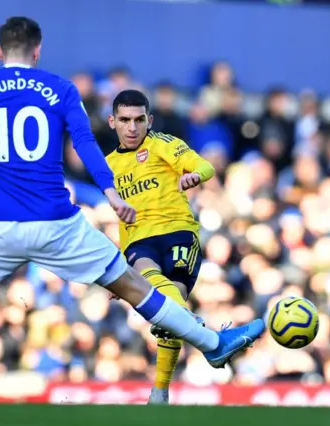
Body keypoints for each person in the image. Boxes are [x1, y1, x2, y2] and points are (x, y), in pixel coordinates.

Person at [0, 17, 265, 402]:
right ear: (38, 51)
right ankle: (211, 343)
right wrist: (112, 193)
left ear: (0, 51)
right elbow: (86, 143)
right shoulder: (60, 89)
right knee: (134, 288)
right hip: (56, 223)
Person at [106, 89, 222, 404]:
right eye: (125, 120)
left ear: (150, 120)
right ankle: (196, 329)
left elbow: (206, 166)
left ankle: (160, 389)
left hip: (178, 233)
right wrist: (119, 269)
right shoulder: (108, 165)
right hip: (138, 240)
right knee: (161, 296)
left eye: (139, 120)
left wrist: (195, 176)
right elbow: (119, 217)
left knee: (170, 315)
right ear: (112, 122)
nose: (132, 128)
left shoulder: (163, 144)